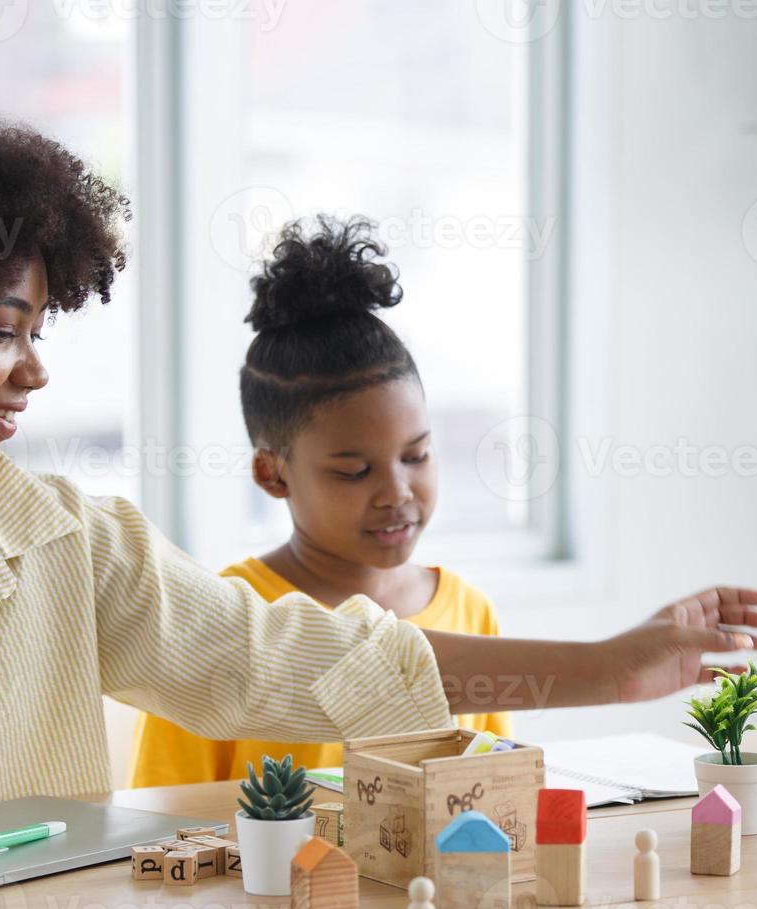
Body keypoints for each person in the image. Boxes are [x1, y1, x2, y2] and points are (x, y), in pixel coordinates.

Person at [0, 111, 757, 839]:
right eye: (6, 328)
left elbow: (292, 661)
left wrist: (618, 664)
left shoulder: (62, 537)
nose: (34, 372)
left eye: (40, 328)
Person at [130, 217, 515, 787]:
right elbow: (163, 823)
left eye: (417, 456)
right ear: (272, 472)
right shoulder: (227, 622)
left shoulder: (471, 613)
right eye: (355, 471)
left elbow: (493, 793)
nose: (398, 492)